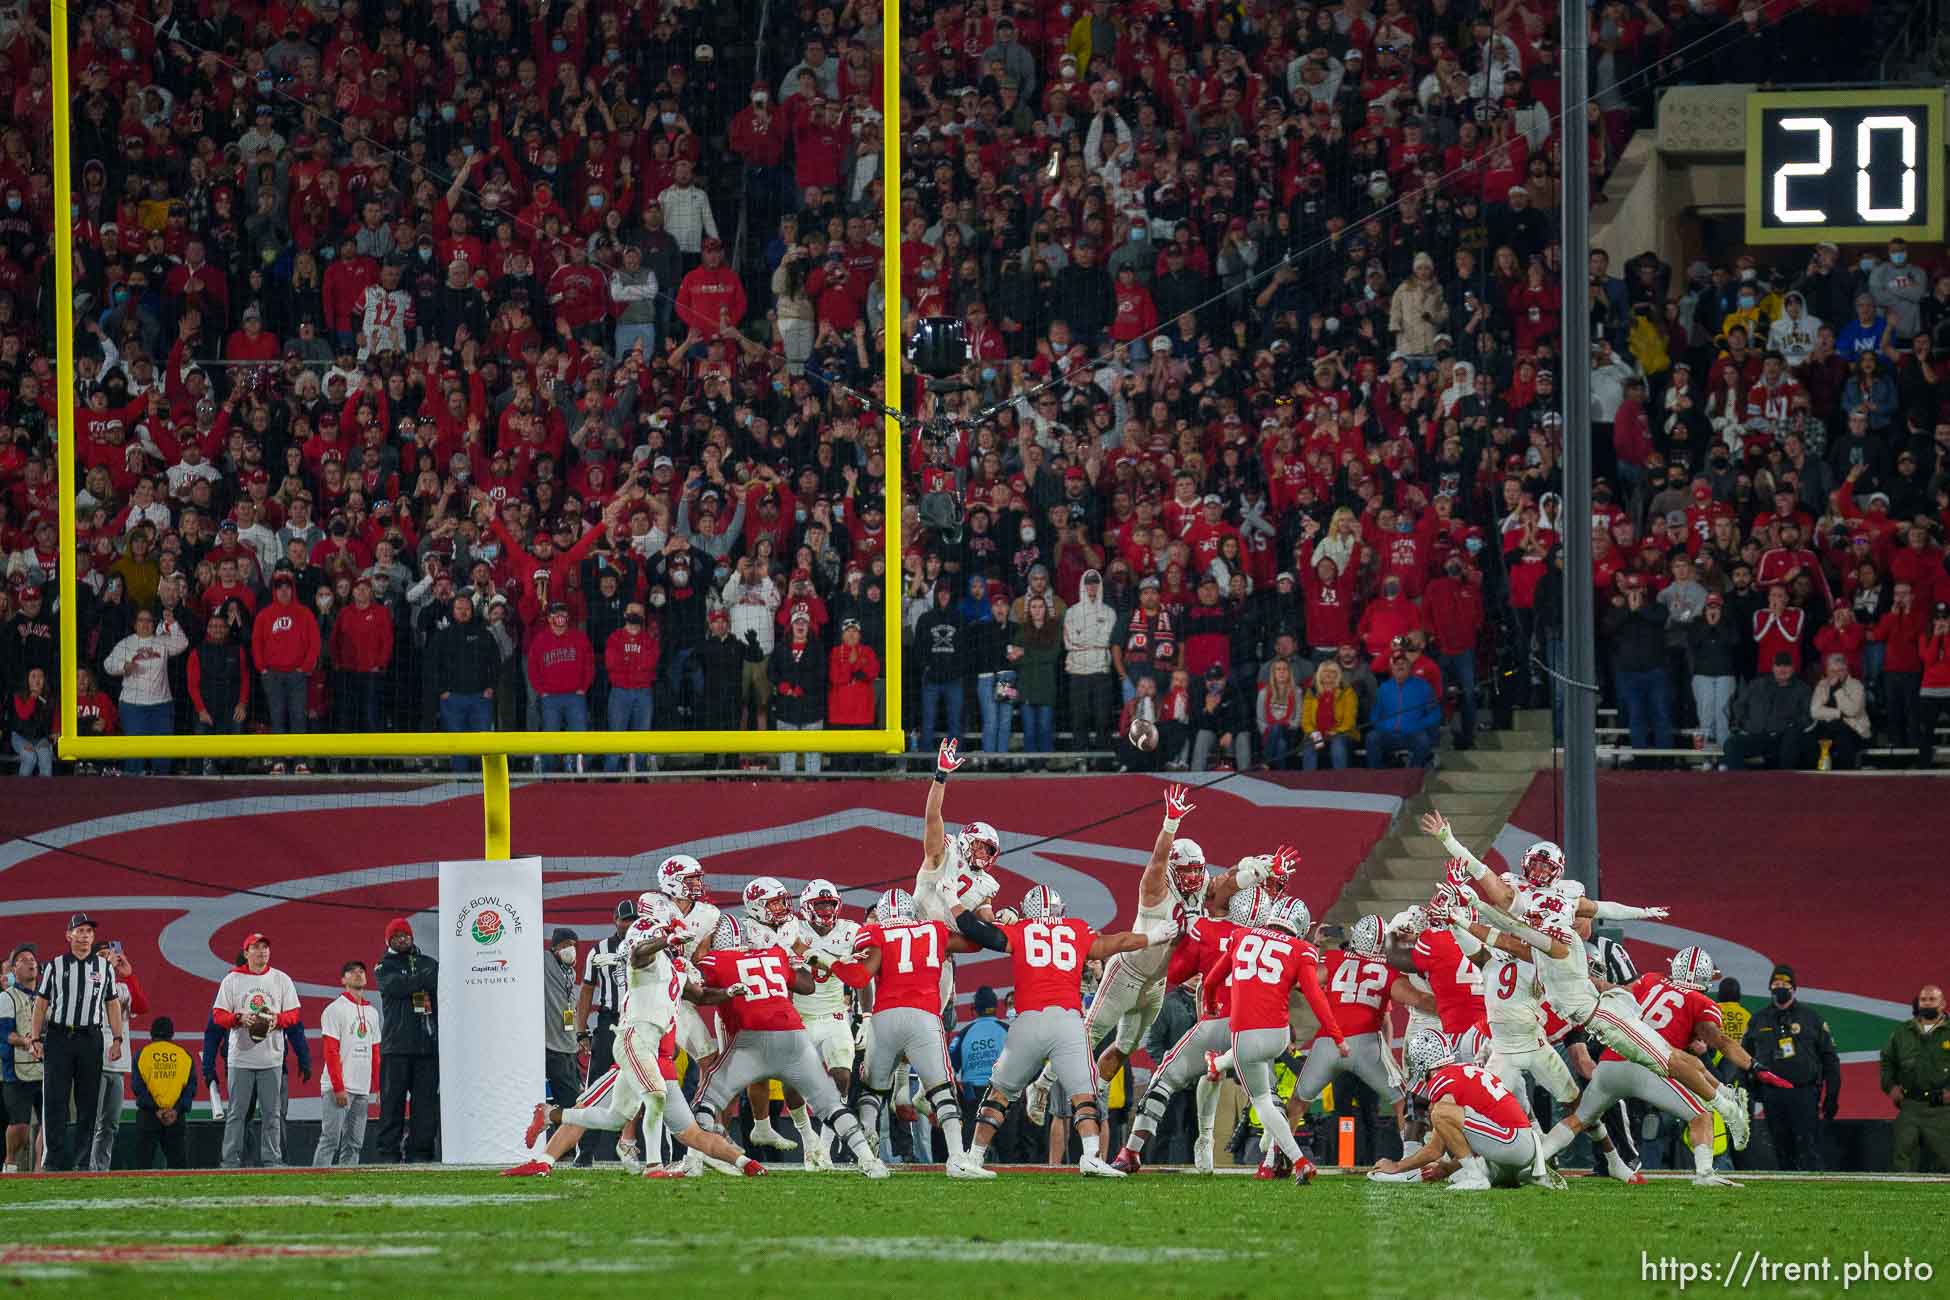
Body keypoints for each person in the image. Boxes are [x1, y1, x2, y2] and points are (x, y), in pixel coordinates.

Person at [947, 883, 1176, 1178]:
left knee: (999, 1092)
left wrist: (952, 899)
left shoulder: (1021, 930)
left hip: (1029, 1020)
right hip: (1067, 1020)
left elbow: (976, 930)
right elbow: (1115, 943)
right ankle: (1091, 1155)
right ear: (1060, 910)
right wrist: (1154, 936)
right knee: (1085, 1094)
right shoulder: (1076, 929)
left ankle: (974, 1157)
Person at [689, 916, 888, 1177]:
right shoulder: (775, 955)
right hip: (792, 1036)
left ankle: (696, 1159)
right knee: (831, 1104)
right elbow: (807, 986)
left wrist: (703, 941)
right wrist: (797, 959)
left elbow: (696, 980)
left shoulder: (717, 960)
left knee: (706, 1101)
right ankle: (869, 1161)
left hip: (752, 1041)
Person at [1111, 885, 1275, 1175]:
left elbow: (1176, 974)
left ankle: (1131, 1150)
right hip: (1255, 1029)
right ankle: (1276, 1158)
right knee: (1267, 1093)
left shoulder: (1206, 929)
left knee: (1164, 1079)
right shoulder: (1280, 943)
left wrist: (1182, 942)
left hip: (1215, 1021)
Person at [832, 887, 982, 1176]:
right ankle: (956, 1158)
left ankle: (869, 1157)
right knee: (941, 1090)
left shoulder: (874, 932)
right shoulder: (934, 930)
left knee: (873, 1089)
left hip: (885, 1015)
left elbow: (860, 976)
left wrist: (833, 962)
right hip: (923, 1015)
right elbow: (975, 943)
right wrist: (968, 914)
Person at [1372, 1028, 1548, 1190]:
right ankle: (1478, 1173)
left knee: (1439, 1112)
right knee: (1455, 1174)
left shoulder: (1442, 1080)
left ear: (1422, 1061)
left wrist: (1397, 1167)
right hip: (1519, 1148)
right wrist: (1448, 1167)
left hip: (1512, 1143)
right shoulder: (1465, 1071)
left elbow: (1435, 1149)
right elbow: (1467, 1139)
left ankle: (1475, 1176)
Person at [31, 913, 127, 1171]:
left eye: (88, 932)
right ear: (68, 936)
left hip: (90, 1038)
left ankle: (82, 1161)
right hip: (60, 1037)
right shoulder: (55, 965)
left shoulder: (105, 968)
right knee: (54, 1100)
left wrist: (117, 1039)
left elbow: (112, 1004)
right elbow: (41, 1004)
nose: (84, 935)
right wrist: (34, 1037)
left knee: (88, 1103)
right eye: (80, 930)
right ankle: (53, 1161)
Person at [212, 932, 301, 1168]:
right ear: (246, 953)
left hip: (271, 1058)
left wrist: (277, 1020)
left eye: (265, 947)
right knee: (236, 1114)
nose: (262, 952)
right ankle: (230, 1160)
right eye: (256, 947)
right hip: (240, 1058)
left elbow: (294, 1014)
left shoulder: (281, 979)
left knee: (272, 1115)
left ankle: (272, 1159)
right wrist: (239, 1017)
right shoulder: (232, 980)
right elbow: (218, 1015)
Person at [1742, 963, 1841, 1170]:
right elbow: (1745, 1058)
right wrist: (1749, 1092)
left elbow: (1830, 1059)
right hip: (1772, 1094)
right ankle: (1787, 1190)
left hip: (1804, 1092)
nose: (1780, 988)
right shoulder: (1758, 1020)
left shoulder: (1811, 1018)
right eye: (1776, 983)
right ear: (1770, 988)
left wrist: (1832, 1095)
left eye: (1785, 984)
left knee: (1808, 1147)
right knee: (1781, 1147)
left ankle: (1814, 1189)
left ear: (1794, 989)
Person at [374, 917, 439, 1163]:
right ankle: (388, 1153)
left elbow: (436, 982)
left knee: (425, 1104)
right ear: (388, 940)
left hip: (426, 1046)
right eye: (396, 936)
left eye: (406, 935)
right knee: (392, 1103)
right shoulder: (383, 966)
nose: (402, 939)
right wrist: (421, 979)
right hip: (396, 1047)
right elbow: (395, 987)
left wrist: (418, 979)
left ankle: (420, 1152)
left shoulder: (427, 962)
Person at [101, 607, 190, 774]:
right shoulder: (126, 644)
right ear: (135, 624)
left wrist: (172, 623)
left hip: (162, 706)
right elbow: (107, 665)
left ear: (153, 624)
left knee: (163, 753)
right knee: (135, 754)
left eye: (149, 620)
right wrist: (123, 667)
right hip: (133, 706)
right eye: (141, 620)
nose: (145, 624)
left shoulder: (162, 641)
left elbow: (183, 643)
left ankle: (163, 787)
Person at [88, 940, 150, 1170]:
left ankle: (100, 1168)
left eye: (110, 954)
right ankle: (86, 1166)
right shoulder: (90, 982)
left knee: (110, 1123)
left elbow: (142, 1007)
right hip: (94, 1061)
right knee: (92, 1122)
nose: (109, 958)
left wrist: (130, 975)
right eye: (103, 955)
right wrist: (104, 967)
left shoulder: (121, 987)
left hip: (117, 1063)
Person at [251, 573, 321, 773]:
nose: (283, 590)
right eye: (279, 586)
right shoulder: (264, 615)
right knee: (277, 718)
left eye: (287, 586)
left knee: (299, 717)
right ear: (274, 590)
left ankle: (300, 761)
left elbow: (314, 643)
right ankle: (278, 761)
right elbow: (256, 643)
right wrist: (262, 668)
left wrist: (305, 667)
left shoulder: (305, 613)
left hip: (297, 675)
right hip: (273, 675)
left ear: (292, 590)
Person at [317, 960, 382, 1168]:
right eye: (352, 972)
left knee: (354, 1143)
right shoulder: (335, 1010)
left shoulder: (372, 1012)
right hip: (339, 1088)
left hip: (362, 1090)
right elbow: (330, 1051)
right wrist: (338, 1087)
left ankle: (347, 1184)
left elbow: (375, 1053)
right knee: (330, 1140)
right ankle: (315, 1184)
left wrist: (379, 1086)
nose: (358, 974)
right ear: (343, 980)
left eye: (361, 971)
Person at [1880, 985, 1950, 1172]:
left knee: (1946, 1161)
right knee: (1901, 1160)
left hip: (1943, 1109)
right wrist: (1891, 1087)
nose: (1927, 1003)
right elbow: (1887, 1061)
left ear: (1943, 1004)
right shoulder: (1903, 1031)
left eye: (1932, 999)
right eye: (1923, 1000)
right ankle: (1901, 1200)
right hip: (1910, 1106)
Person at [526, 601, 594, 773]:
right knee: (550, 735)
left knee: (579, 734)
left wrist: (583, 688)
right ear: (549, 618)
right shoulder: (540, 640)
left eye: (563, 614)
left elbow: (589, 665)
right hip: (551, 697)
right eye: (556, 614)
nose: (560, 618)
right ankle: (549, 772)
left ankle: (578, 771)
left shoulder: (579, 637)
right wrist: (542, 691)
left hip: (575, 695)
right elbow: (532, 669)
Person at [1723, 653, 1814, 770]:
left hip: (1782, 739)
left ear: (1793, 668)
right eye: (1778, 665)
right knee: (1731, 744)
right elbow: (1739, 705)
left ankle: (1785, 782)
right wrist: (1744, 723)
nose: (1782, 669)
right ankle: (1740, 781)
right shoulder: (1758, 684)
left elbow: (1808, 715)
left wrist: (1791, 726)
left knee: (1791, 740)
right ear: (1773, 668)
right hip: (1756, 735)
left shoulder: (1802, 688)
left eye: (1786, 666)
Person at [129, 1016, 197, 1170]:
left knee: (143, 1166)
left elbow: (138, 1087)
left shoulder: (142, 1054)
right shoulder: (184, 1055)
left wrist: (156, 1109)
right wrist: (176, 1110)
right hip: (175, 1118)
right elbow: (190, 1088)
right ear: (172, 1034)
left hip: (149, 1116)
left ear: (151, 1034)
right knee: (178, 1167)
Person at [1063, 570, 1118, 756]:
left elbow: (1107, 640)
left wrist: (1084, 638)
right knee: (1079, 720)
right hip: (1078, 673)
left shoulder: (1110, 612)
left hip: (1101, 672)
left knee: (1103, 719)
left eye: (1095, 582)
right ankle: (1080, 760)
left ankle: (1102, 761)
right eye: (1088, 583)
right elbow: (1069, 642)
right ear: (1082, 585)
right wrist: (1095, 639)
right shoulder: (1071, 612)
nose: (1092, 586)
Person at [1, 944, 45, 1172]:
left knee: (50, 1123)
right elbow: (6, 1035)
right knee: (20, 1125)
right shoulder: (7, 998)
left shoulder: (46, 996)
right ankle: (10, 1163)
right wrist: (28, 1041)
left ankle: (40, 1168)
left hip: (46, 1070)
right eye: (23, 959)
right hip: (16, 1072)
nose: (30, 962)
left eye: (32, 959)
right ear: (13, 968)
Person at [948, 984, 1009, 1132]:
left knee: (973, 1144)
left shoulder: (962, 1035)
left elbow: (949, 1068)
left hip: (973, 1097)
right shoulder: (1008, 1031)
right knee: (1008, 1150)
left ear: (975, 1009)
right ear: (995, 1006)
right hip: (1003, 1095)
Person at [1366, 650, 1440, 768]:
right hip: (1388, 734)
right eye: (1396, 663)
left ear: (1410, 666)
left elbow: (1435, 713)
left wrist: (1419, 725)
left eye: (1403, 663)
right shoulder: (1383, 688)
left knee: (1423, 740)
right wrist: (1382, 726)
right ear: (1391, 668)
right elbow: (1375, 714)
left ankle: (1413, 772)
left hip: (1412, 733)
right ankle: (1377, 774)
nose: (1400, 665)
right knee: (1372, 738)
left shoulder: (1423, 686)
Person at [542, 929, 581, 1142]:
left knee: (571, 1099)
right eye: (566, 944)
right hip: (551, 1044)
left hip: (568, 1044)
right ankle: (561, 1146)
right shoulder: (544, 963)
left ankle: (561, 1145)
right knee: (568, 1099)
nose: (571, 949)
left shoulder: (569, 972)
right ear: (554, 947)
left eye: (574, 944)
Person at [1800, 653, 1870, 770]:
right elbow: (1815, 711)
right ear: (1827, 671)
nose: (1836, 674)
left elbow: (1851, 711)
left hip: (1854, 728)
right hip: (1829, 727)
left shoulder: (1857, 686)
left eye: (1840, 671)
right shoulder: (1822, 684)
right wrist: (1838, 713)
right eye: (1832, 671)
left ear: (1846, 670)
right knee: (1808, 740)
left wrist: (1837, 689)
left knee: (1843, 737)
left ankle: (1845, 775)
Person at [1298, 659, 1358, 770]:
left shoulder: (1347, 692)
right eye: (1325, 671)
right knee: (1309, 745)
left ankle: (1341, 781)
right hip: (1317, 733)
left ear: (1338, 675)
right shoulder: (1311, 692)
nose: (1328, 674)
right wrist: (1312, 732)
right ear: (1319, 675)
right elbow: (1305, 719)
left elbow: (1349, 719)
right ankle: (1308, 782)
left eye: (1332, 671)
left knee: (1337, 744)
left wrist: (1336, 731)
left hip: (1341, 733)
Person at [8, 666, 53, 777]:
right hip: (21, 736)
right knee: (29, 757)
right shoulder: (18, 696)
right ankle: (21, 792)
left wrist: (47, 739)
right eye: (33, 677)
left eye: (40, 677)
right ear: (27, 680)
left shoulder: (49, 698)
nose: (37, 681)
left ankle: (45, 791)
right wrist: (33, 697)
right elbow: (23, 715)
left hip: (40, 738)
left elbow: (54, 720)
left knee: (45, 756)